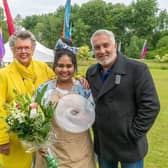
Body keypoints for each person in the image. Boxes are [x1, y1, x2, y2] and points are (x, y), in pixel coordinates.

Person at [86, 29, 160, 168]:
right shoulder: (91, 73)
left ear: (114, 46)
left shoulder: (137, 69)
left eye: (105, 45)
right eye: (97, 47)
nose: (102, 51)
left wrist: (133, 133)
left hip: (129, 146)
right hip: (104, 145)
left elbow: (151, 106)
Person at [0, 30, 56, 168]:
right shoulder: (3, 75)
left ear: (33, 49)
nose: (23, 51)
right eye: (19, 48)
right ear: (12, 50)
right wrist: (2, 139)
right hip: (15, 139)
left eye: (27, 48)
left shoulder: (42, 67)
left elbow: (59, 83)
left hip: (41, 136)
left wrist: (78, 80)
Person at [34, 48, 96, 168]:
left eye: (69, 66)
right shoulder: (44, 90)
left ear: (74, 68)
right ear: (54, 67)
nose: (64, 70)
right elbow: (35, 119)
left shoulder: (83, 89)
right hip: (51, 152)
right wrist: (38, 143)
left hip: (80, 152)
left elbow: (91, 115)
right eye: (60, 66)